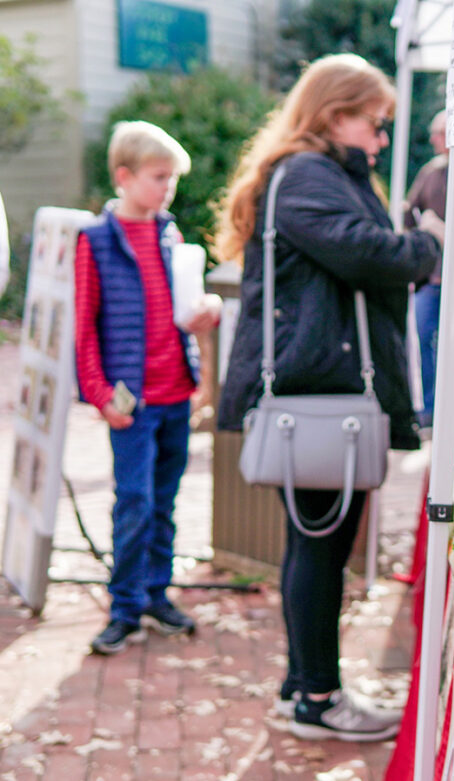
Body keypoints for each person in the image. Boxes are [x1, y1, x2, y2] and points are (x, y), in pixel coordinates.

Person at [213, 54, 441, 742]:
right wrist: (424, 242)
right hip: (318, 390)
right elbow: (368, 253)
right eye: (373, 123)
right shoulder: (309, 174)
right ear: (335, 112)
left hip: (317, 387)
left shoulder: (306, 171)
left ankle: (301, 686)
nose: (378, 139)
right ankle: (317, 696)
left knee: (312, 542)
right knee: (319, 545)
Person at [74, 120, 218, 655]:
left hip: (174, 391)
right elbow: (83, 324)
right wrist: (97, 391)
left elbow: (184, 309)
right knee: (133, 501)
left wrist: (206, 323)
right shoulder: (94, 241)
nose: (168, 189)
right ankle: (125, 606)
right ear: (124, 176)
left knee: (165, 499)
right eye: (160, 178)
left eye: (172, 180)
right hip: (131, 400)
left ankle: (157, 594)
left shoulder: (170, 234)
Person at [405, 110, 454, 428]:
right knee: (426, 339)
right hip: (432, 278)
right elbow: (409, 212)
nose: (434, 139)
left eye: (439, 133)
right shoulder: (430, 173)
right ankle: (431, 409)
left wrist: (446, 230)